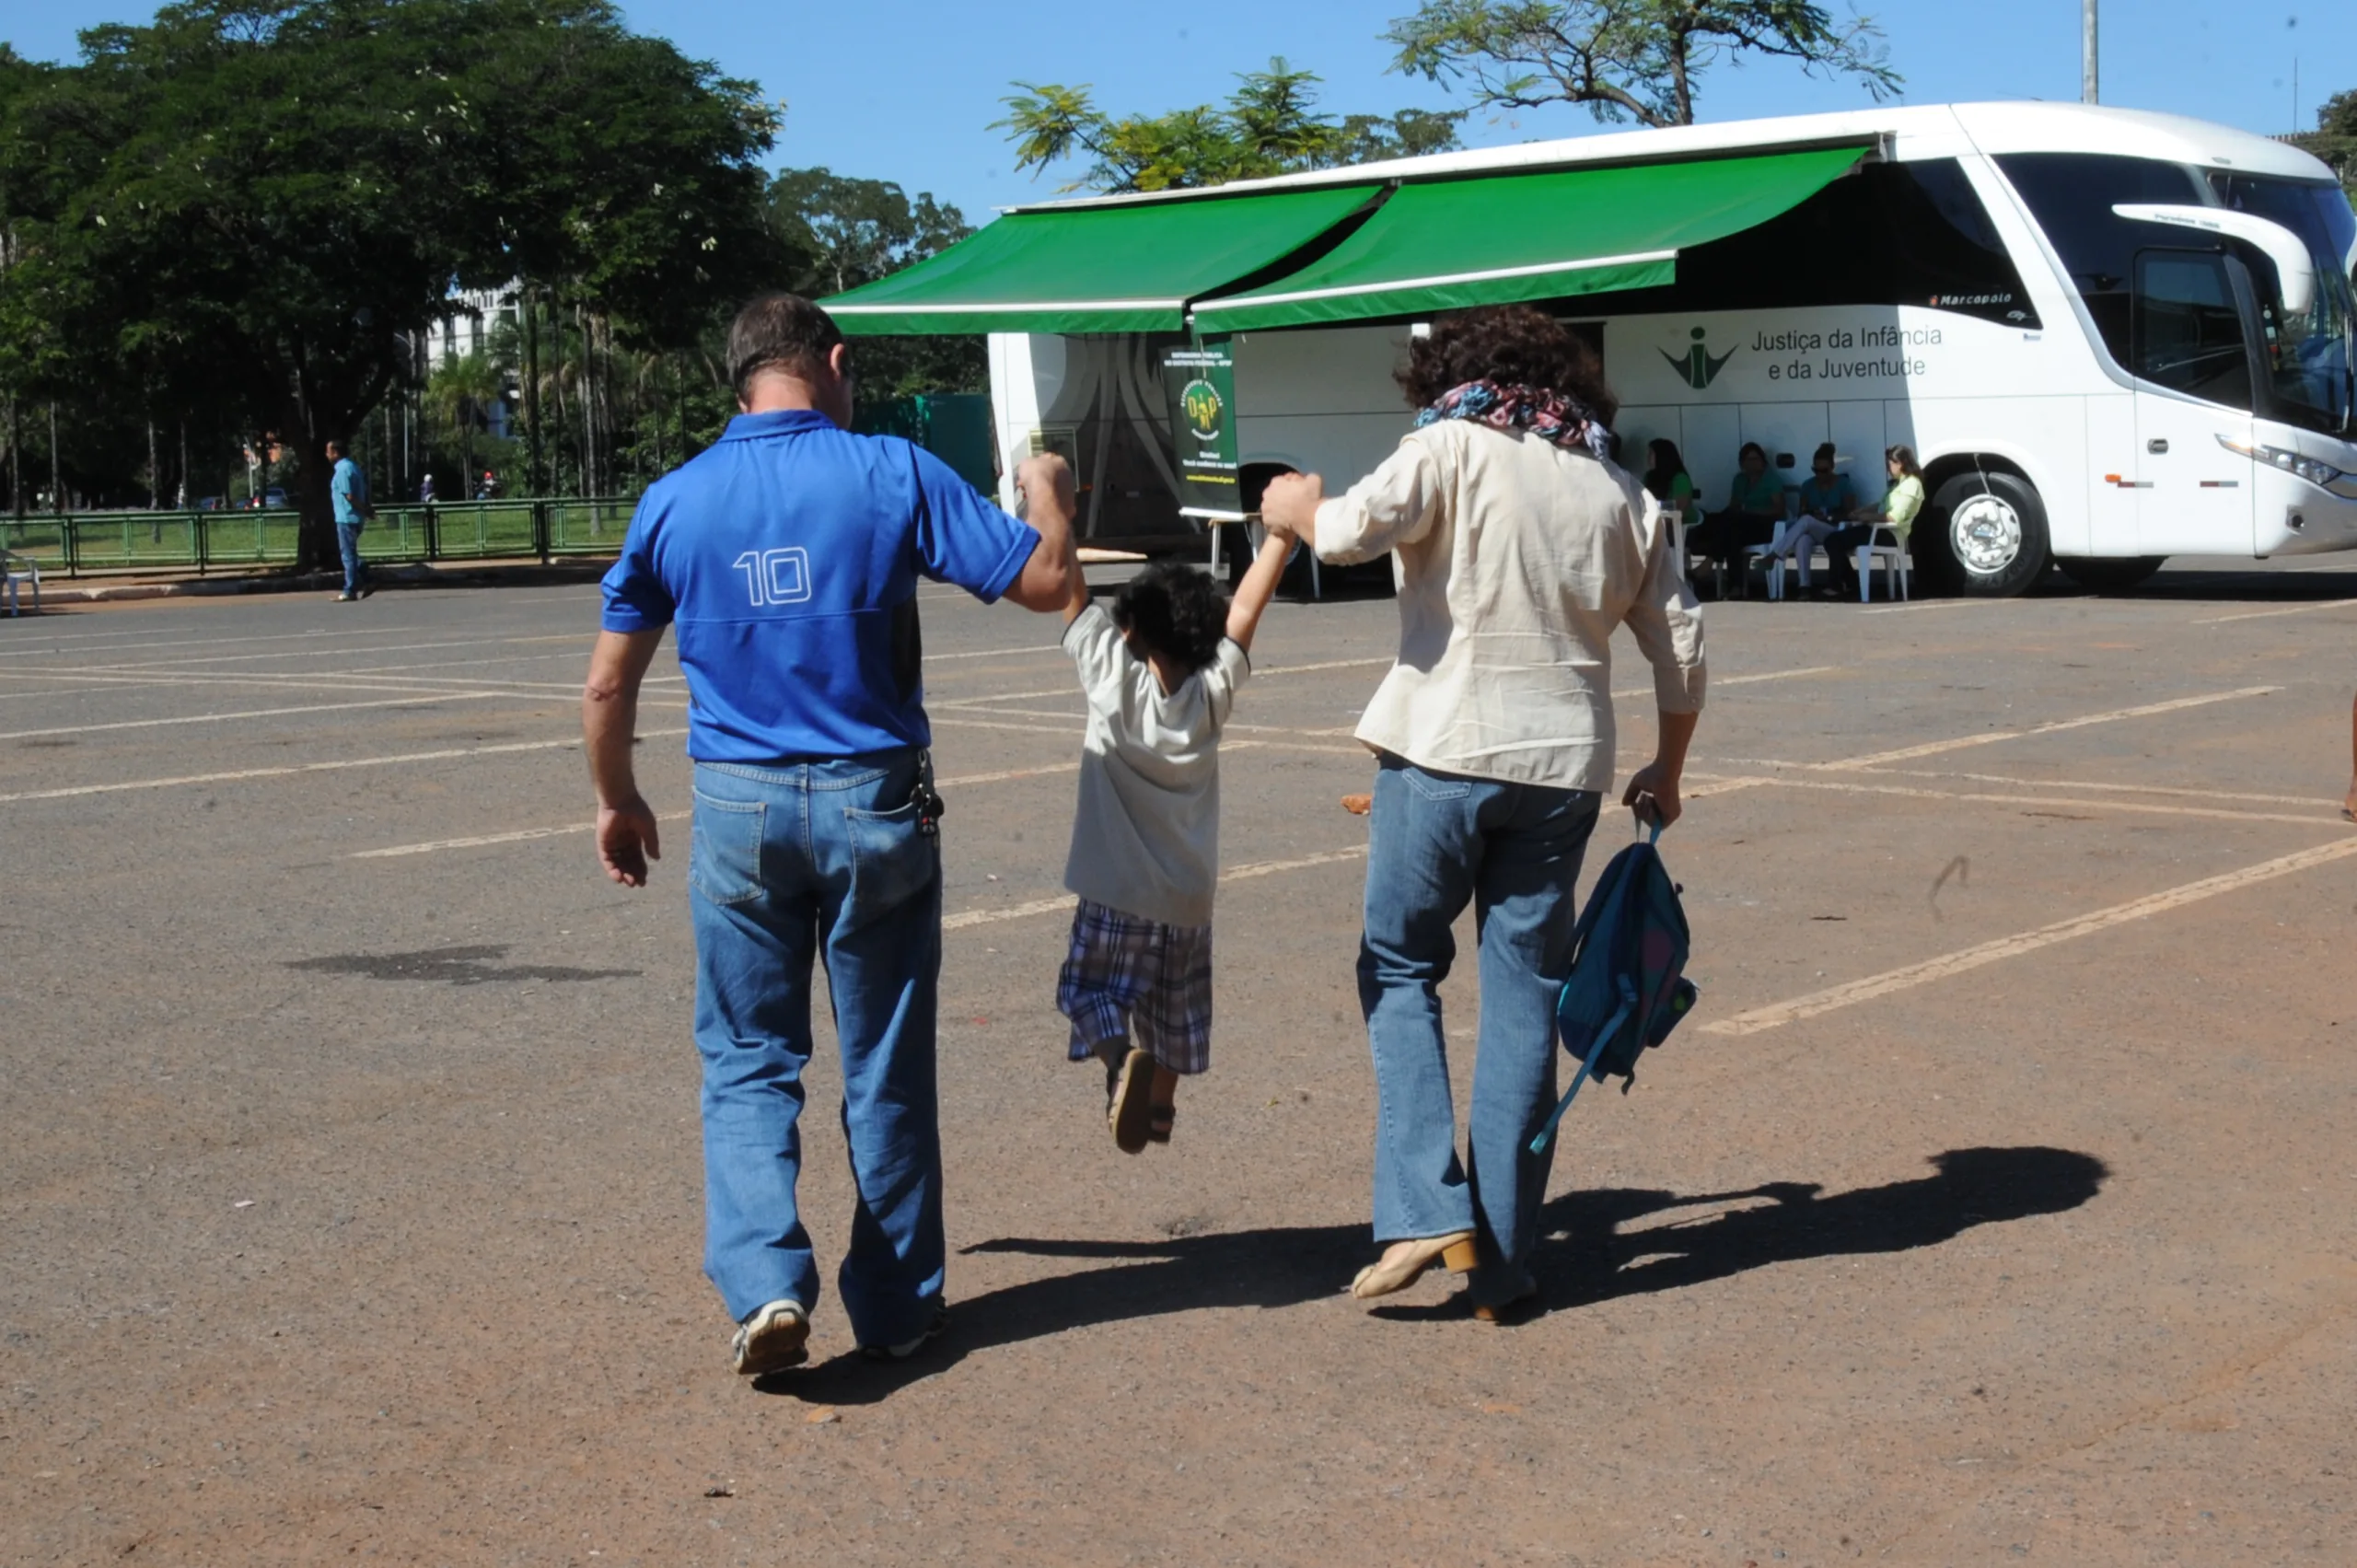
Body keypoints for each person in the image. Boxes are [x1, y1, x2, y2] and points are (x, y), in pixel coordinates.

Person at [581, 292, 1076, 1378]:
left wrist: (617, 797)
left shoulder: (676, 498)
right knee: (886, 1060)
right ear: (833, 362)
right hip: (875, 797)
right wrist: (1047, 494)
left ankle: (763, 1281)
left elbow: (608, 683)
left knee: (748, 1056)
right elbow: (1048, 583)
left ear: (742, 375)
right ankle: (898, 1305)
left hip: (739, 806)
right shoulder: (888, 470)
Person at [1260, 305, 1707, 1324]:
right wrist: (1665, 771)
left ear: (1449, 373)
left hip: (1441, 753)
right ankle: (1503, 1264)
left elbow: (1344, 534)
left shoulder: (1448, 446)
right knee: (1522, 1002)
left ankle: (1422, 1204)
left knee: (1402, 965)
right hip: (1561, 776)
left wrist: (1295, 502)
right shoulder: (1620, 490)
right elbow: (1681, 648)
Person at [1051, 517, 1295, 1154]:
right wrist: (1281, 539)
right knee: (1173, 1015)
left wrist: (1054, 506)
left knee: (1089, 991)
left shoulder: (1113, 678)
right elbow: (1246, 607)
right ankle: (1156, 1107)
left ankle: (1116, 1064)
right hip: (1188, 900)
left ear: (1129, 630)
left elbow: (1073, 590)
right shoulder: (1212, 696)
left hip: (1116, 893)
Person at [1825, 445, 1926, 598]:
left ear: (1901, 463)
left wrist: (1866, 518)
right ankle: (1851, 583)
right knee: (1834, 540)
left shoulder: (1912, 485)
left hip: (1890, 533)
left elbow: (1894, 517)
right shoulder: (1898, 483)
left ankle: (1842, 585)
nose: (1888, 468)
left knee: (1834, 540)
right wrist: (1861, 511)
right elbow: (1880, 505)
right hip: (1878, 529)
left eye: (1890, 464)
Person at [1682, 441, 1782, 588]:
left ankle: (1709, 564)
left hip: (1765, 525)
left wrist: (1749, 512)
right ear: (1742, 463)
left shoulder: (1771, 480)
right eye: (1749, 460)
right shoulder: (1739, 480)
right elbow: (1734, 505)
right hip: (1741, 525)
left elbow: (1779, 510)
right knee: (1725, 529)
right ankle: (1735, 587)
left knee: (1732, 525)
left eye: (1756, 459)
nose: (1754, 463)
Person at [1776, 442, 1858, 594]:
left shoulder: (1843, 484)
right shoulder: (1808, 485)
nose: (1819, 474)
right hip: (1814, 528)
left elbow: (1850, 512)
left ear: (1832, 467)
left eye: (1824, 470)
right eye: (1816, 470)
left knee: (1806, 522)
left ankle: (1778, 552)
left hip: (1834, 528)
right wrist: (1811, 513)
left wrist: (1829, 515)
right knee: (1802, 540)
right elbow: (1802, 512)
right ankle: (1804, 586)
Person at [327, 439, 371, 602]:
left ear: (336, 453)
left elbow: (350, 496)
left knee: (348, 555)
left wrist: (365, 509)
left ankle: (350, 589)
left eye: (328, 451)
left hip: (347, 516)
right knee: (350, 553)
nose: (326, 454)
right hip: (353, 516)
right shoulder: (353, 467)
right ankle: (367, 579)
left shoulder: (343, 470)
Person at [1641, 439, 1700, 547]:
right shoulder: (1649, 477)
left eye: (1651, 454)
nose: (1647, 458)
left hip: (1682, 528)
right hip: (1657, 524)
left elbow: (1678, 510)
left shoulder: (1680, 479)